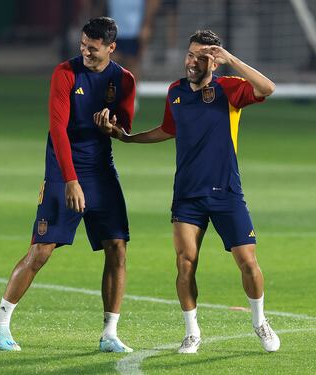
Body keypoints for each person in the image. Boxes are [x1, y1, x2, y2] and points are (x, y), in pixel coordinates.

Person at [94, 29, 280, 354]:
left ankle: (260, 322)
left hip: (226, 192)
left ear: (215, 61)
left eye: (202, 57)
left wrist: (232, 59)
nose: (192, 62)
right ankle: (192, 332)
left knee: (248, 263)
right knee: (184, 263)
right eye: (190, 54)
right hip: (187, 195)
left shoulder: (229, 89)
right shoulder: (175, 91)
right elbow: (169, 129)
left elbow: (268, 88)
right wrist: (127, 137)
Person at [0, 17, 136, 353]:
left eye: (93, 48)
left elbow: (125, 127)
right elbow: (58, 130)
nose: (85, 51)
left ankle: (110, 333)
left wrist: (112, 128)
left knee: (117, 248)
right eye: (83, 45)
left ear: (111, 47)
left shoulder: (123, 79)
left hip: (102, 172)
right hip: (63, 171)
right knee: (41, 251)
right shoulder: (65, 73)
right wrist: (70, 180)